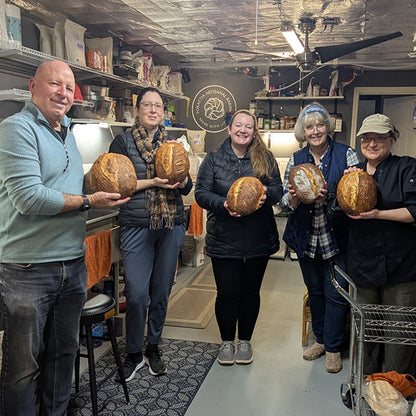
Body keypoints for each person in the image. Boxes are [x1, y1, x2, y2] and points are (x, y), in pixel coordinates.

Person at [0, 61, 129, 416]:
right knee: (22, 367)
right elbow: (29, 198)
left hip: (71, 263)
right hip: (28, 267)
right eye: (54, 84)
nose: (62, 92)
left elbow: (66, 187)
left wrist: (101, 182)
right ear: (32, 86)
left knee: (63, 354)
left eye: (69, 87)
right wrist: (89, 200)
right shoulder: (16, 128)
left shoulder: (68, 132)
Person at [108, 87, 192, 380]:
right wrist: (154, 181)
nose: (154, 110)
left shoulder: (174, 145)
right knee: (136, 294)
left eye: (158, 106)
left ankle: (152, 347)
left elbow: (188, 186)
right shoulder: (122, 142)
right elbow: (119, 185)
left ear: (163, 112)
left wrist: (180, 182)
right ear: (138, 108)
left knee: (160, 293)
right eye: (148, 105)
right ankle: (133, 352)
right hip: (136, 225)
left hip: (171, 224)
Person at [327, 113, 416, 376]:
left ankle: (393, 392)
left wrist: (378, 214)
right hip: (363, 265)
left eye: (379, 138)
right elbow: (334, 216)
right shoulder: (351, 175)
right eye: (367, 138)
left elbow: (414, 211)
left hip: (401, 268)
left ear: (392, 139)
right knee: (365, 330)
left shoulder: (407, 168)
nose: (372, 143)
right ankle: (366, 385)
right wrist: (343, 192)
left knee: (398, 334)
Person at [195, 109, 282, 366]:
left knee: (251, 292)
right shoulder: (213, 159)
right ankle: (226, 342)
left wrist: (268, 193)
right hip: (224, 239)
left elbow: (278, 189)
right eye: (239, 125)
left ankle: (244, 340)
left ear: (255, 131)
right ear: (229, 129)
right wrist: (225, 204)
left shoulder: (265, 158)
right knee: (226, 293)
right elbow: (201, 193)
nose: (243, 130)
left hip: (258, 239)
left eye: (249, 126)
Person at [280, 102, 359, 373]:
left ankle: (334, 349)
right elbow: (283, 201)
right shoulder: (296, 159)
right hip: (306, 238)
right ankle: (322, 340)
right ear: (304, 130)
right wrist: (291, 198)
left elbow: (356, 195)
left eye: (320, 125)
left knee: (336, 292)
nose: (315, 131)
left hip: (336, 237)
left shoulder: (347, 155)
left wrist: (332, 198)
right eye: (310, 126)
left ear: (328, 127)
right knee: (315, 291)